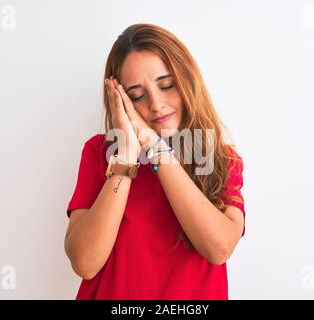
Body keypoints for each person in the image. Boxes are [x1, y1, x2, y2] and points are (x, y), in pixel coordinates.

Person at [64, 23, 246, 300]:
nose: (156, 103)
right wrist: (126, 156)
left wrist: (154, 147)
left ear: (187, 81)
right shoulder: (100, 153)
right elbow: (85, 263)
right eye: (137, 95)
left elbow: (218, 248)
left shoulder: (220, 157)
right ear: (121, 99)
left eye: (166, 85)